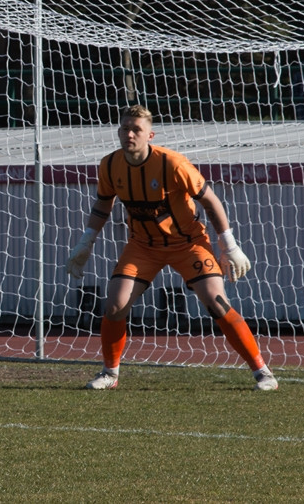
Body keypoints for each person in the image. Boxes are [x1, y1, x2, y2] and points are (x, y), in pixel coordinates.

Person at [64, 105, 277, 392]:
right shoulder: (110, 165)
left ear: (149, 134)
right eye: (125, 128)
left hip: (188, 244)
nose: (130, 134)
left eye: (136, 129)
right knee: (114, 304)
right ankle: (109, 373)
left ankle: (263, 373)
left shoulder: (172, 164)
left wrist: (229, 246)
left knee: (217, 301)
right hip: (143, 246)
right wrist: (85, 241)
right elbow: (103, 203)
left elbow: (211, 201)